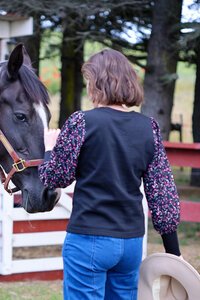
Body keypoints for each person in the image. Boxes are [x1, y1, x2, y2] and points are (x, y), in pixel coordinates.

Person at [38, 48, 181, 300]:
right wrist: (174, 253)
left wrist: (49, 149)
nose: (89, 88)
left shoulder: (81, 122)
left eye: (90, 82)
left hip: (89, 239)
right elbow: (163, 195)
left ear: (99, 82)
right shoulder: (149, 127)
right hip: (131, 244)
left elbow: (57, 178)